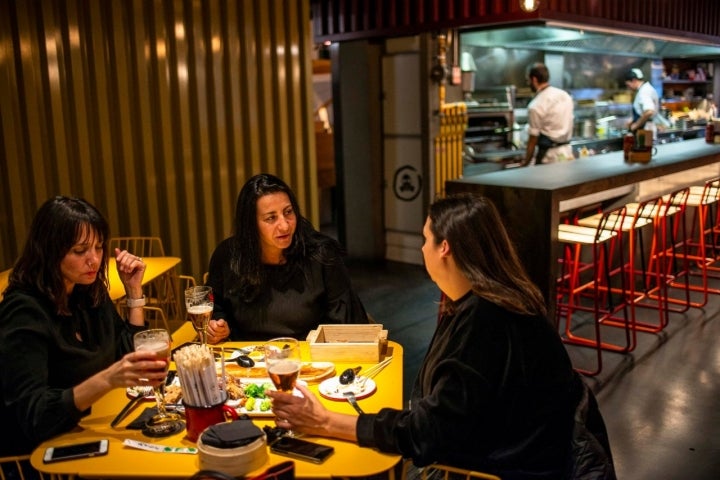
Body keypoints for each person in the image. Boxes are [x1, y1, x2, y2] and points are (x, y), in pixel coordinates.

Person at [268, 194, 616, 479]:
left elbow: (425, 435)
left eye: (425, 239)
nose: (421, 248)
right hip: (524, 453)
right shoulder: (496, 299)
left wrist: (324, 420)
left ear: (445, 247)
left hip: (493, 470)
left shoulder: (486, 322)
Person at [0, 196, 169, 457]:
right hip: (44, 454)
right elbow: (34, 416)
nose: (94, 260)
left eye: (99, 248)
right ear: (49, 251)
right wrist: (107, 379)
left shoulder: (88, 291)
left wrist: (134, 292)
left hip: (95, 429)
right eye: (80, 251)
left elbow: (125, 354)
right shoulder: (24, 311)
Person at [205, 173, 368, 343]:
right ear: (251, 225)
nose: (284, 225)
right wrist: (216, 327)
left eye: (288, 212)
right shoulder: (228, 256)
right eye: (271, 218)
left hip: (310, 361)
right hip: (246, 362)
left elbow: (349, 324)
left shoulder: (321, 255)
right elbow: (215, 308)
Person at [521, 62, 574, 166]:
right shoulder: (564, 95)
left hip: (549, 158)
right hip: (567, 153)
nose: (528, 84)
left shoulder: (536, 105)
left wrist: (525, 163)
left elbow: (533, 139)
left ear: (534, 79)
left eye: (528, 80)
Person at [625, 67, 671, 139]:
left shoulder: (644, 91)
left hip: (645, 131)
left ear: (634, 80)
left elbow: (649, 111)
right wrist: (632, 120)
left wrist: (636, 125)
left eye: (628, 85)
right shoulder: (645, 89)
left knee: (644, 150)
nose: (628, 88)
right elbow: (643, 111)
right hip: (646, 130)